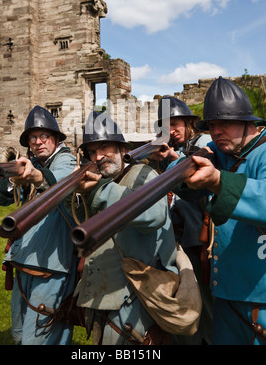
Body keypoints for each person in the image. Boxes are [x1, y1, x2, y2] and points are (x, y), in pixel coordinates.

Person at [173, 77, 266, 345]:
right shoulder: (218, 151)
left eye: (225, 123)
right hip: (226, 294)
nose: (217, 131)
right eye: (212, 126)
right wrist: (182, 167)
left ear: (249, 123)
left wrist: (218, 181)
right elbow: (175, 172)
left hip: (261, 298)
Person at [72, 111, 178, 345]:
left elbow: (154, 216)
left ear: (122, 148)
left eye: (105, 147)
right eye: (92, 151)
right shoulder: (102, 183)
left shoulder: (145, 175)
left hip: (136, 295)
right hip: (104, 291)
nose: (98, 157)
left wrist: (100, 191)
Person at [0, 105, 78, 345]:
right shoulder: (33, 164)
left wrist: (34, 177)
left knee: (40, 335)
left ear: (56, 138)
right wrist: (9, 176)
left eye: (44, 136)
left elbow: (59, 184)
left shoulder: (66, 161)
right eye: (32, 138)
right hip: (25, 259)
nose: (38, 142)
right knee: (20, 332)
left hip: (53, 264)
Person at [151, 96, 213, 344]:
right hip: (183, 239)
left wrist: (173, 158)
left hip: (204, 240)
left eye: (175, 124)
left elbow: (199, 172)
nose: (171, 131)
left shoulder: (206, 143)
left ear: (189, 123)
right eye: (165, 126)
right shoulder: (178, 151)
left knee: (207, 305)